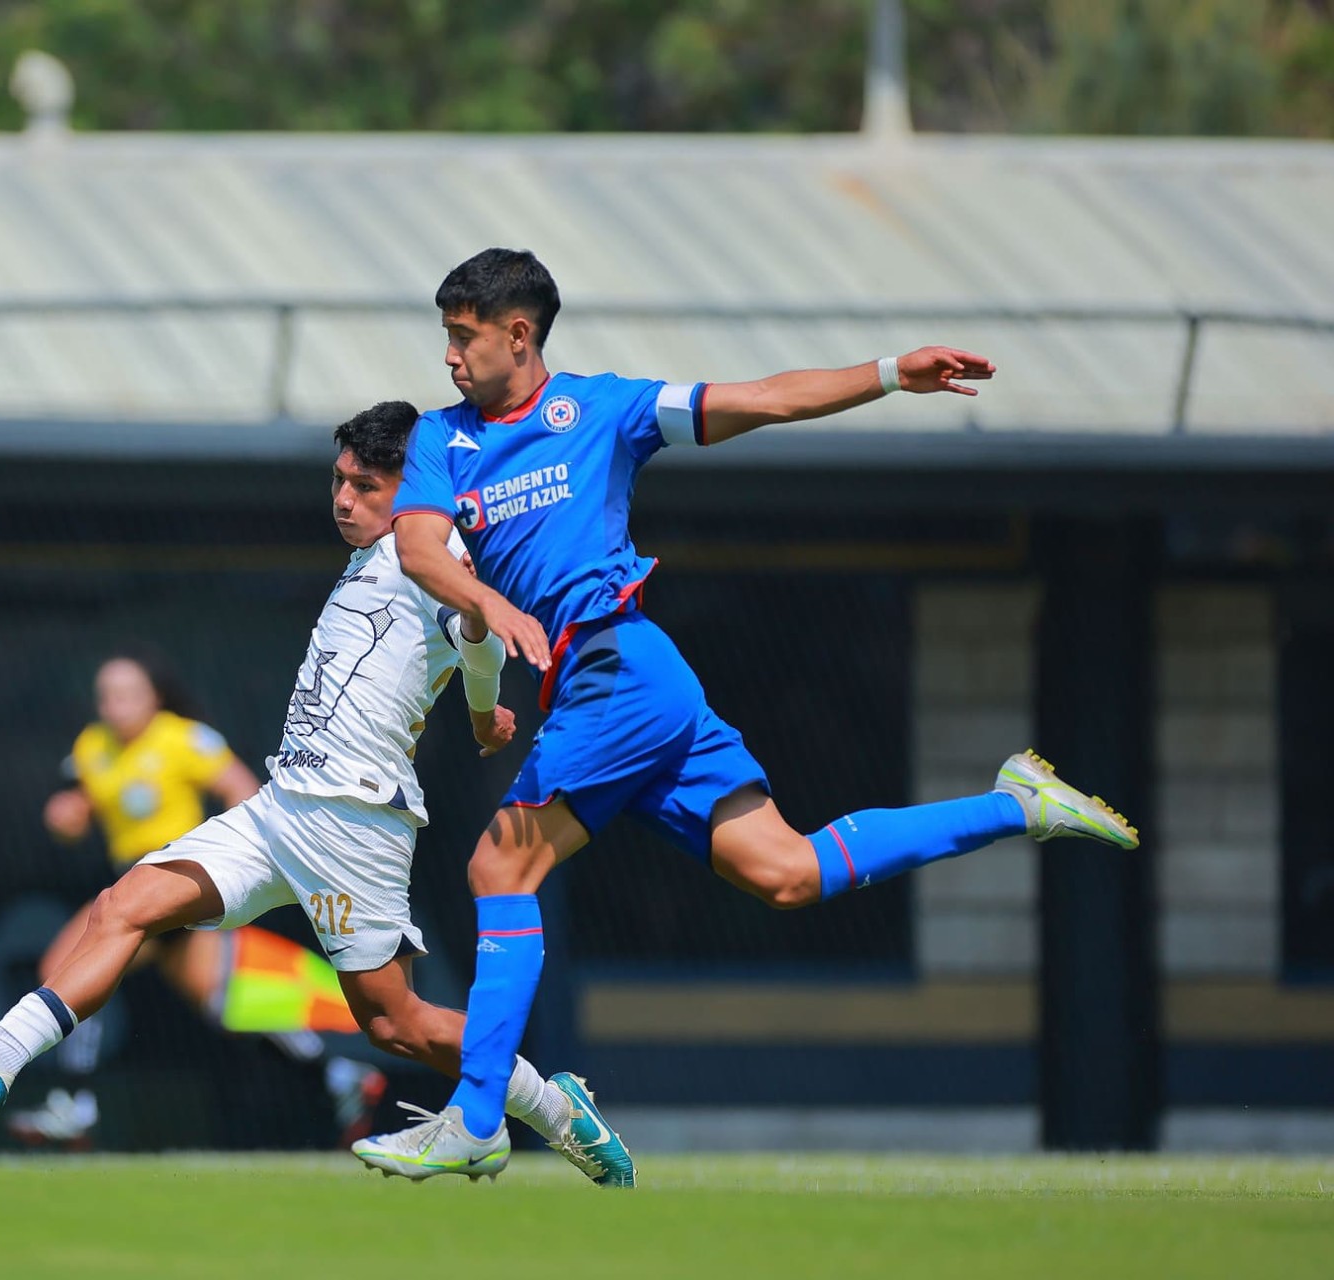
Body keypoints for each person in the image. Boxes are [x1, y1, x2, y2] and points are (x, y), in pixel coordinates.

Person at [353, 247, 1142, 1179]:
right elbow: (421, 551)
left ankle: (479, 1116)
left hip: (618, 665)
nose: (449, 356)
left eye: (464, 336)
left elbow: (765, 398)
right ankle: (1015, 804)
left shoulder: (604, 410)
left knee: (498, 868)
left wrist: (893, 373)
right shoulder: (441, 439)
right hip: (624, 688)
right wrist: (493, 610)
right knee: (788, 873)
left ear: (518, 334)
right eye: (446, 336)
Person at [0, 401, 637, 1187]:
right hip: (282, 807)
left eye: (365, 486)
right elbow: (471, 646)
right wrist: (480, 712)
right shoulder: (379, 554)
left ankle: (555, 1107)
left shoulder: (434, 555)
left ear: (412, 488)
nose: (343, 500)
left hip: (353, 824)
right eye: (337, 480)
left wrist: (481, 705)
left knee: (396, 1024)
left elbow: (476, 630)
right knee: (122, 905)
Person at [10, 648, 383, 1148]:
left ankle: (75, 1105)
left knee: (68, 965)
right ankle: (338, 1076)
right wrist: (66, 816)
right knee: (222, 1003)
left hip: (176, 879)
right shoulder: (93, 745)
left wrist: (226, 860)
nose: (116, 705)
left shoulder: (182, 738)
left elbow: (242, 789)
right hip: (132, 883)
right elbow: (74, 812)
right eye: (107, 696)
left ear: (154, 698)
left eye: (128, 694)